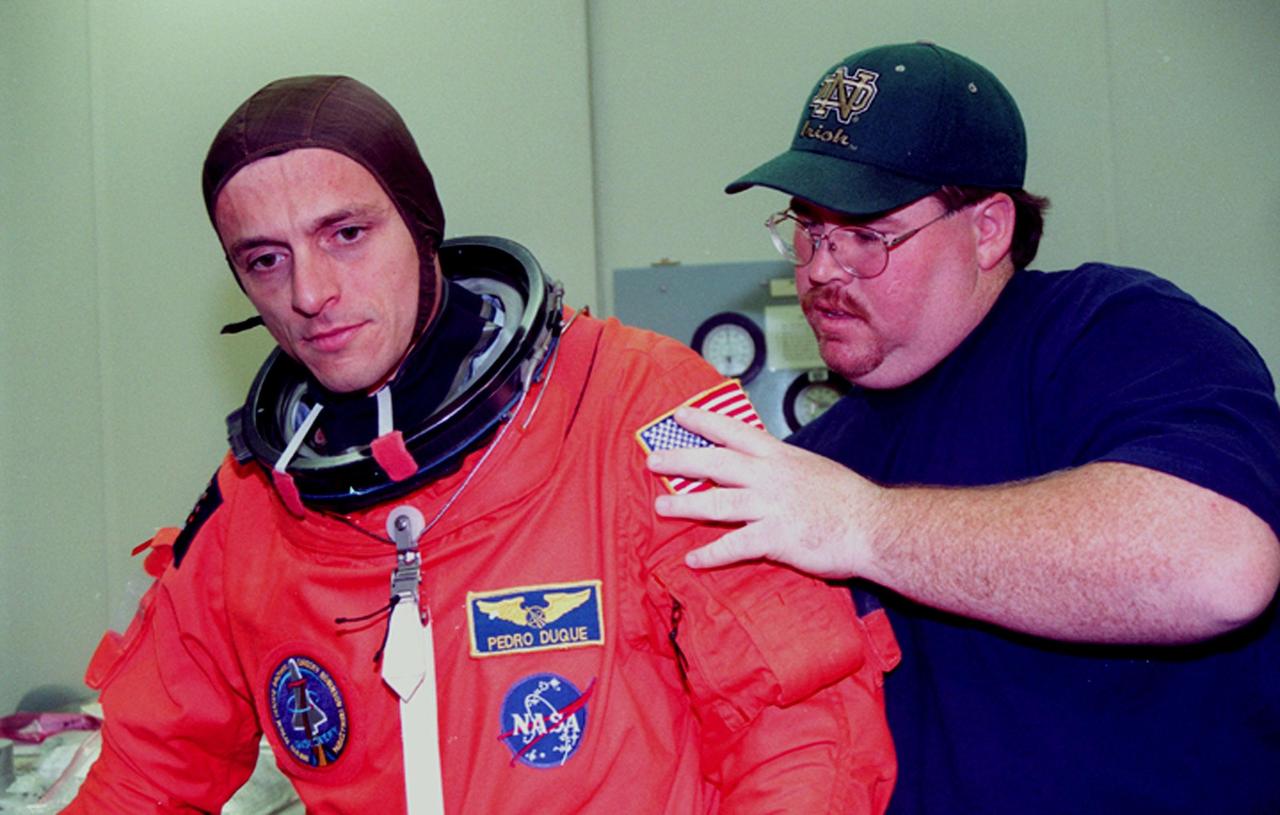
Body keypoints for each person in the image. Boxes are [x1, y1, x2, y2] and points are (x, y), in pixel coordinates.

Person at [65, 75, 899, 814]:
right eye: (266, 258)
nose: (311, 292)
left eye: (346, 233)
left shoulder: (634, 409)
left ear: (419, 223)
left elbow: (800, 719)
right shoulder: (255, 505)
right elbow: (144, 778)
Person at [646, 42, 1280, 813]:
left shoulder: (1110, 335)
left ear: (987, 229)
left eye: (867, 233)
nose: (819, 268)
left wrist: (861, 525)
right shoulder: (814, 467)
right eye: (808, 228)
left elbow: (1217, 564)